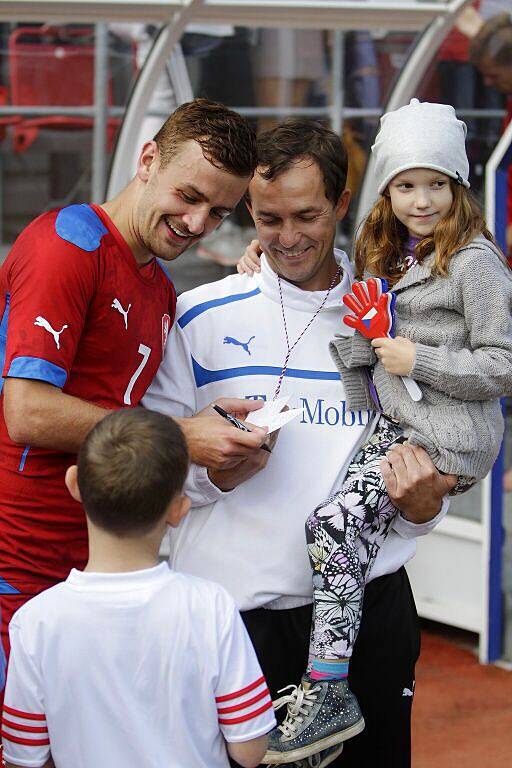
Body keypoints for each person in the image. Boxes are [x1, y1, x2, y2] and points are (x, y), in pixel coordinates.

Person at [143, 119, 455, 768]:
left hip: (369, 614)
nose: (287, 238)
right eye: (268, 218)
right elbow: (156, 467)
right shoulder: (199, 316)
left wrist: (427, 508)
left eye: (306, 216)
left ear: (341, 206)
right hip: (240, 623)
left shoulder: (391, 320)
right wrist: (215, 472)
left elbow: (430, 458)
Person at [238, 99, 512, 764]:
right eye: (407, 184)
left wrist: (418, 358)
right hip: (398, 423)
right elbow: (347, 294)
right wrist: (264, 259)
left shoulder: (475, 262)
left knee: (333, 527)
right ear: (386, 190)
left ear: (460, 187)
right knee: (337, 536)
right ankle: (330, 693)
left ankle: (329, 690)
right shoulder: (387, 253)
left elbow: (502, 365)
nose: (422, 200)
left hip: (444, 433)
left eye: (437, 184)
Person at [0, 98, 270, 701]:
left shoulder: (158, 283)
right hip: (18, 558)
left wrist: (208, 435)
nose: (199, 224)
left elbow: (123, 415)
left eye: (220, 212)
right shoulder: (66, 246)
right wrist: (182, 436)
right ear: (148, 159)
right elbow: (26, 410)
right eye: (189, 196)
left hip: (98, 555)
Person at [1, 408, 276, 768]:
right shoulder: (210, 607)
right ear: (178, 510)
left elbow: (26, 758)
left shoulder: (35, 622)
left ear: (74, 484)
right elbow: (249, 750)